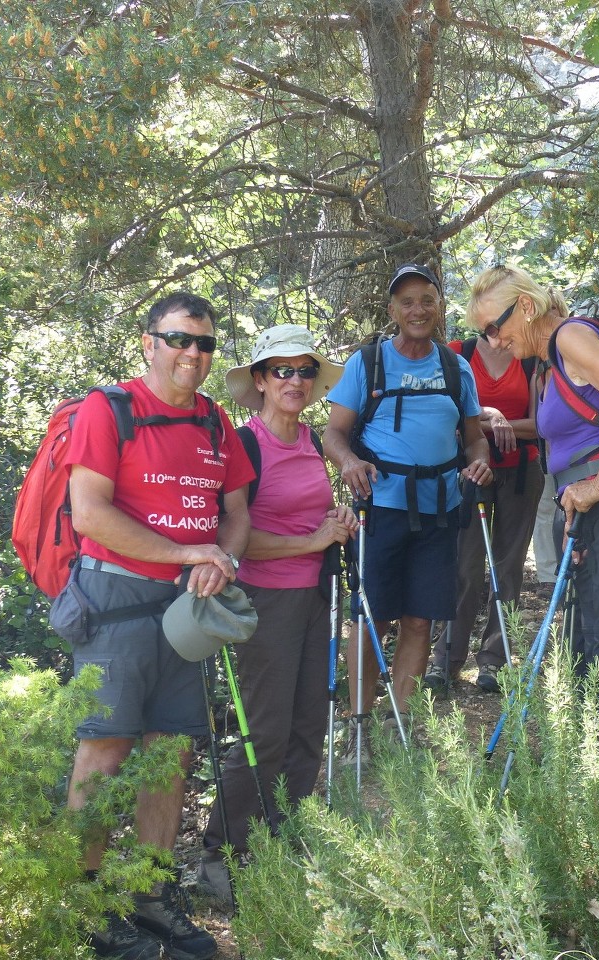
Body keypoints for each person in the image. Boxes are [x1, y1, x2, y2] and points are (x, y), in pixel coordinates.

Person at [63, 292, 254, 960]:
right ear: (149, 343)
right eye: (179, 340)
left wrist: (221, 556)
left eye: (204, 344)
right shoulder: (108, 408)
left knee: (172, 751)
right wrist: (186, 553)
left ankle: (150, 894)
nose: (192, 355)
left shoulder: (214, 421)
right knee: (106, 749)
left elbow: (236, 510)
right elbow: (89, 513)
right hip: (115, 601)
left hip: (182, 612)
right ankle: (84, 904)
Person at [196, 325, 358, 901]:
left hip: (314, 597)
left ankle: (282, 837)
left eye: (305, 371)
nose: (295, 381)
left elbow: (308, 517)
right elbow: (230, 537)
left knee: (308, 726)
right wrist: (311, 542)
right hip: (263, 603)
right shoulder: (245, 444)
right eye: (281, 370)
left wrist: (335, 526)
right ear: (260, 380)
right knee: (261, 732)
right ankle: (222, 855)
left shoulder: (313, 441)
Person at [468, 265, 599, 721]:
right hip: (596, 507)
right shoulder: (549, 361)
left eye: (494, 329)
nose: (494, 342)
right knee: (596, 626)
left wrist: (598, 487)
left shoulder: (570, 339)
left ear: (524, 305)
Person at [323, 263, 492, 734]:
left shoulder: (455, 367)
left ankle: (401, 722)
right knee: (373, 617)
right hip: (381, 509)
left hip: (441, 510)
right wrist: (349, 463)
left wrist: (479, 462)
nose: (418, 309)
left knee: (420, 619)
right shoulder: (369, 362)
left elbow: (474, 438)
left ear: (440, 307)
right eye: (407, 301)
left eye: (427, 300)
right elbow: (333, 434)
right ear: (393, 310)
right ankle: (359, 721)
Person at [422, 328, 544, 694]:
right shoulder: (459, 354)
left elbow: (540, 424)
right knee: (464, 565)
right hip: (469, 472)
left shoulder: (529, 356)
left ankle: (494, 659)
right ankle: (446, 658)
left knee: (508, 567)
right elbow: (443, 416)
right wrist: (497, 421)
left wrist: (484, 425)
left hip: (522, 472)